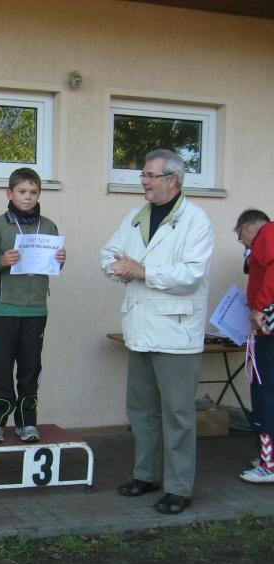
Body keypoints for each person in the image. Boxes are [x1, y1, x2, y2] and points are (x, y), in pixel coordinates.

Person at [101, 149, 214, 514]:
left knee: (177, 414)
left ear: (173, 180)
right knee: (141, 409)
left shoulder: (196, 220)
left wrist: (143, 272)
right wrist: (118, 268)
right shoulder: (136, 218)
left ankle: (179, 487)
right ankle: (146, 474)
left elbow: (191, 274)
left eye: (151, 175)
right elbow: (109, 254)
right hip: (140, 329)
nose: (144, 182)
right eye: (144, 176)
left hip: (176, 333)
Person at [0, 168, 65, 443]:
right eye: (22, 192)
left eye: (33, 192)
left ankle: (27, 422)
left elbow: (54, 265)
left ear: (39, 195)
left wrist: (59, 260)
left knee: (30, 368)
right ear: (9, 193)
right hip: (4, 308)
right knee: (1, 368)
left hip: (36, 309)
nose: (28, 197)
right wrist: (1, 260)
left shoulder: (49, 226)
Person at [234, 209, 274, 483]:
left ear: (247, 227)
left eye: (241, 238)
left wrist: (259, 307)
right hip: (264, 331)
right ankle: (266, 457)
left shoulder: (268, 233)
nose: (244, 244)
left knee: (265, 391)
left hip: (268, 330)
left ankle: (269, 464)